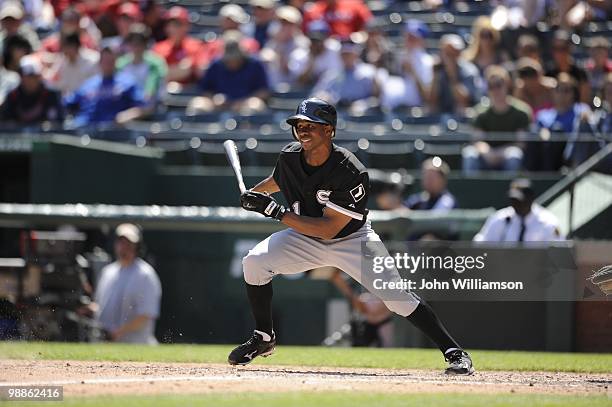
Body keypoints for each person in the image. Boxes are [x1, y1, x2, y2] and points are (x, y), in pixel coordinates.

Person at [228, 97, 474, 375]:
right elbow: (278, 181)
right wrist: (256, 194)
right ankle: (263, 337)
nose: (303, 131)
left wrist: (275, 211)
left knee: (396, 297)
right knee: (254, 262)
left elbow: (330, 228)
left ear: (329, 131)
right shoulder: (289, 156)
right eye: (299, 126)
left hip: (352, 239)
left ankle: (455, 352)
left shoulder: (351, 170)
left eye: (311, 125)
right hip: (304, 236)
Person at [93, 224, 161, 344]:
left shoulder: (145, 274)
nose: (124, 247)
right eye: (121, 243)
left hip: (137, 347)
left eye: (129, 244)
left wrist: (118, 332)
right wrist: (89, 309)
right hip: (106, 346)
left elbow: (146, 315)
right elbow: (100, 306)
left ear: (137, 247)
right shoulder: (108, 272)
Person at [462, 65, 532, 173]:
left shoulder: (521, 112)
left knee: (514, 154)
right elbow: (477, 141)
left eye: (498, 85)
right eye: (491, 86)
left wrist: (499, 153)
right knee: (470, 154)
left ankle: (511, 189)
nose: (495, 90)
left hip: (507, 155)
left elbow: (520, 144)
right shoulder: (480, 112)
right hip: (486, 156)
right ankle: (471, 189)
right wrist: (488, 153)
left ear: (507, 85)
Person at [64, 46, 145, 128]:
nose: (108, 64)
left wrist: (127, 115)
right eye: (105, 61)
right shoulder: (89, 84)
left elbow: (144, 108)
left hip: (112, 131)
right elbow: (68, 102)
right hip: (84, 129)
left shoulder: (127, 82)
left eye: (110, 61)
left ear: (115, 62)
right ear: (100, 63)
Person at [191, 30, 269, 114]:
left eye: (235, 58)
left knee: (255, 105)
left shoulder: (255, 65)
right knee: (198, 105)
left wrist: (243, 101)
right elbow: (204, 90)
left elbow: (264, 92)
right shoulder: (216, 65)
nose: (232, 62)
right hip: (218, 107)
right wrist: (214, 99)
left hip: (244, 105)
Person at [525, 73, 590, 172]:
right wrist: (543, 133)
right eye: (558, 89)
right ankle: (530, 176)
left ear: (574, 93)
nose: (562, 94)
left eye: (567, 90)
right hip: (545, 156)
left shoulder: (582, 110)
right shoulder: (543, 115)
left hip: (568, 157)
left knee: (557, 131)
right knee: (534, 132)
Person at [474, 179, 563, 242]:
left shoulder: (547, 222)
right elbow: (481, 245)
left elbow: (558, 252)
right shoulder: (500, 219)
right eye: (513, 200)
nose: (515, 204)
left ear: (531, 199)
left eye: (520, 201)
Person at [313, 39, 380, 112]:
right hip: (337, 110)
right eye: (343, 54)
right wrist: (324, 97)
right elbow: (318, 93)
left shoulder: (368, 71)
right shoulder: (331, 74)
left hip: (360, 110)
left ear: (356, 55)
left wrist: (364, 104)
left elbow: (376, 96)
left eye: (349, 54)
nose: (346, 57)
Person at [382, 19, 433, 111]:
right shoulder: (398, 56)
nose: (409, 41)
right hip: (393, 109)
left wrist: (412, 71)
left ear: (422, 40)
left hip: (416, 110)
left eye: (413, 38)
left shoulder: (427, 62)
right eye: (407, 36)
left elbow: (427, 96)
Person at [116, 24, 167, 113]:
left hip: (149, 107)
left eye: (140, 42)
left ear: (146, 44)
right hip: (125, 105)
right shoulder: (121, 64)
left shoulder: (155, 64)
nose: (136, 46)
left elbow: (150, 94)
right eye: (132, 41)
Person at [429, 34, 483, 116]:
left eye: (454, 52)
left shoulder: (469, 71)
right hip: (442, 114)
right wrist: (435, 75)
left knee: (461, 108)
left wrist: (452, 76)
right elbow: (431, 101)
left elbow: (464, 100)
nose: (452, 56)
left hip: (465, 115)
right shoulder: (439, 69)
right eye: (448, 53)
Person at [0, 55, 64, 125]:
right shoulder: (13, 96)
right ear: (22, 77)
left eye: (35, 76)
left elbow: (59, 122)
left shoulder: (51, 95)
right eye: (28, 76)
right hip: (19, 135)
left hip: (44, 135)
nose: (31, 80)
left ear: (40, 76)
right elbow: (6, 122)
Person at [152, 6, 208, 85]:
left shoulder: (196, 46)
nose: (174, 28)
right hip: (164, 92)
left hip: (190, 92)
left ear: (186, 26)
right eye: (171, 25)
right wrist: (180, 69)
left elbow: (202, 72)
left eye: (178, 24)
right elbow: (155, 75)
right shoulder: (159, 48)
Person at [259, 5, 308, 90]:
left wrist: (280, 49)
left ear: (296, 25)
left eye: (287, 23)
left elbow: (289, 73)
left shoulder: (303, 44)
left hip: (293, 91)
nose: (283, 26)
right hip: (272, 90)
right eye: (281, 22)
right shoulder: (273, 41)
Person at [293, 20, 342, 88]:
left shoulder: (335, 50)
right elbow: (299, 82)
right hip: (306, 94)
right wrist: (312, 59)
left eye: (319, 40)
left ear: (327, 38)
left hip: (331, 92)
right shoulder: (300, 54)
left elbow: (339, 78)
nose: (317, 44)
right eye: (313, 40)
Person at [545, 30, 590, 104]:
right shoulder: (548, 72)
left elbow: (584, 101)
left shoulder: (580, 72)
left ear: (569, 49)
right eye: (556, 49)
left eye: (563, 48)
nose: (559, 53)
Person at [302, 0, 372, 39]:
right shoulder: (314, 10)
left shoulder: (354, 5)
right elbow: (305, 33)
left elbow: (369, 26)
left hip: (350, 46)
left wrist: (360, 35)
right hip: (323, 48)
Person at [584, 36, 612, 103]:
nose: (597, 56)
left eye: (600, 53)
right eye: (595, 52)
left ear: (606, 53)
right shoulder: (586, 69)